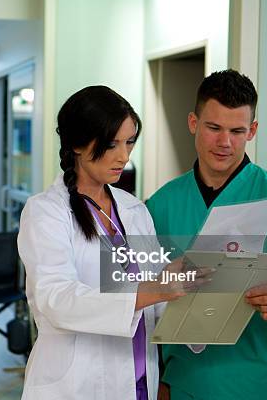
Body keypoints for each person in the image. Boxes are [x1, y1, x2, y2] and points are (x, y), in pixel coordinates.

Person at [146, 70, 267, 399]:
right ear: (193, 123)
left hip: (261, 381)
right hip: (184, 383)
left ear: (253, 131)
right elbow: (141, 297)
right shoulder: (160, 206)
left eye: (237, 131)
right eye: (214, 128)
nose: (225, 142)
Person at [18, 86, 197, 400]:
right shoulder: (46, 211)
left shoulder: (133, 209)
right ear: (76, 143)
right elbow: (56, 298)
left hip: (138, 381)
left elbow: (156, 299)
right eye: (111, 143)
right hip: (77, 385)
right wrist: (155, 288)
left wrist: (189, 289)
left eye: (129, 142)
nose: (124, 156)